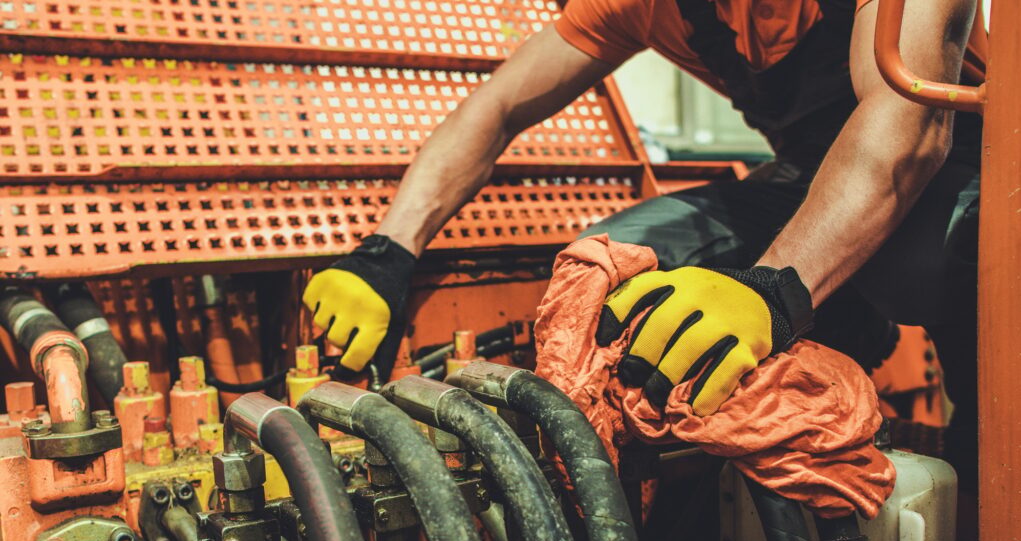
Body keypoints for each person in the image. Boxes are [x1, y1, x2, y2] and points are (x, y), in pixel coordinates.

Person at [302, 0, 985, 492]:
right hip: (811, 174)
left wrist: (773, 286)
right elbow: (498, 107)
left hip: (966, 166)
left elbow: (911, 127)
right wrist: (388, 250)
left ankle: (986, 494)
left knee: (938, 267)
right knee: (611, 270)